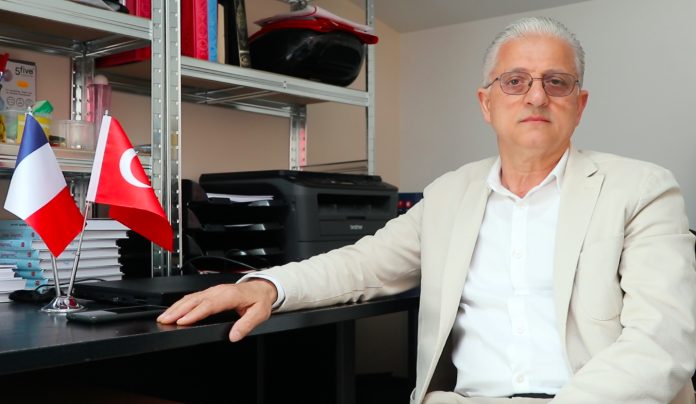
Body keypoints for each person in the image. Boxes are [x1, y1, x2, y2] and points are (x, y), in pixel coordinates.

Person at [158, 17, 696, 404]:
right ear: (487, 103)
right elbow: (363, 264)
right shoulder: (449, 195)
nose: (536, 96)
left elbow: (659, 343)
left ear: (579, 105)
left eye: (556, 82)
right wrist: (267, 286)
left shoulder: (642, 190)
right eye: (515, 81)